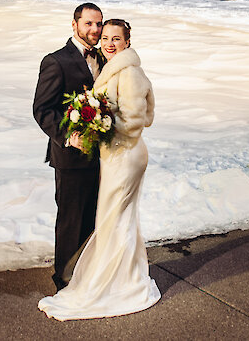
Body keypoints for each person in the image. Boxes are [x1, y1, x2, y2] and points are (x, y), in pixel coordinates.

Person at [38, 19, 161, 320]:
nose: (108, 42)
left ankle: (116, 283)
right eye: (105, 36)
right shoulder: (112, 67)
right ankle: (120, 274)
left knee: (114, 218)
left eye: (116, 38)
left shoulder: (129, 73)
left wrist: (99, 125)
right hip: (115, 154)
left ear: (127, 43)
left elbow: (134, 121)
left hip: (125, 155)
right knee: (114, 218)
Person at [32, 2, 105, 292]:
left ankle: (87, 273)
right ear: (74, 25)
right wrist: (67, 136)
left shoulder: (104, 58)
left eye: (98, 24)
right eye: (88, 24)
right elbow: (42, 109)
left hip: (103, 155)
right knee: (71, 219)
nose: (95, 30)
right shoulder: (56, 61)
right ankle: (64, 280)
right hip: (71, 156)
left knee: (94, 216)